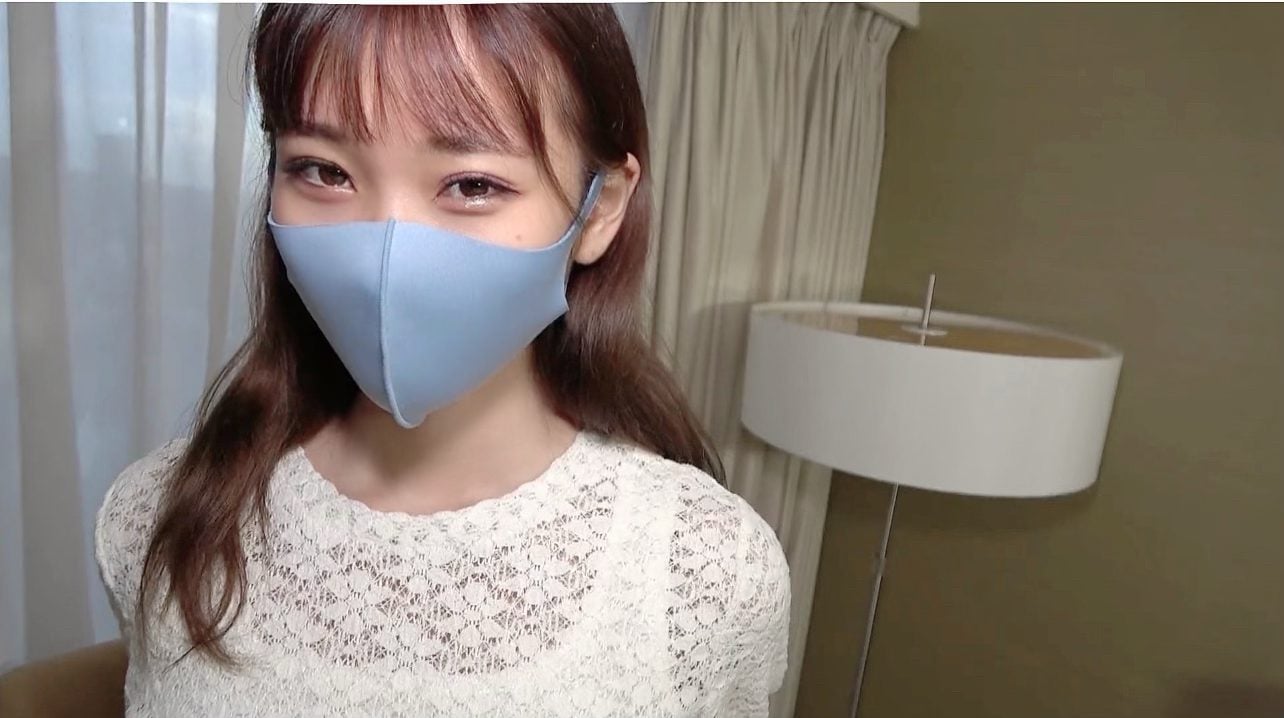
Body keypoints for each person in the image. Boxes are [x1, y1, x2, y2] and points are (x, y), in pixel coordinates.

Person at [95, 5, 789, 717]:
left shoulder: (705, 573)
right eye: (323, 171)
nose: (386, 253)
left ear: (599, 208)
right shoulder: (155, 515)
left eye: (472, 184)